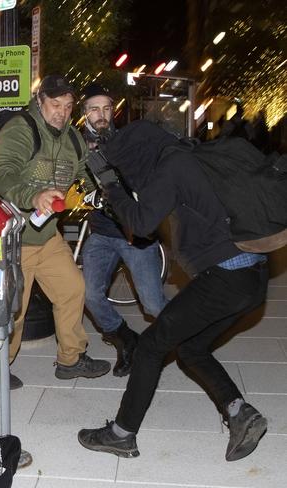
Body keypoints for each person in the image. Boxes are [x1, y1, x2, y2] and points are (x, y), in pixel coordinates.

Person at [78, 120, 268, 462]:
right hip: (252, 277)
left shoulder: (172, 166)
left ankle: (121, 434)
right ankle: (240, 413)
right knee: (191, 347)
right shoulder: (193, 155)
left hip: (225, 277)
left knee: (151, 346)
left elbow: (139, 224)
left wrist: (111, 185)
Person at [0, 74, 111, 389]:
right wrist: (33, 196)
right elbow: (3, 174)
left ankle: (70, 359)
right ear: (40, 101)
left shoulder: (73, 139)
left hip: (45, 233)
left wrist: (97, 192)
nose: (61, 111)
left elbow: (84, 173)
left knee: (73, 287)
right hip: (9, 236)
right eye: (54, 103)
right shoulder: (21, 129)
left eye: (67, 105)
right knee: (12, 308)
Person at [80, 83, 168, 377]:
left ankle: (190, 341)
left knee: (154, 304)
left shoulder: (129, 140)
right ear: (85, 113)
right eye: (94, 109)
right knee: (90, 296)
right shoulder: (77, 145)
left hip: (135, 236)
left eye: (106, 108)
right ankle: (126, 340)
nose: (101, 114)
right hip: (102, 233)